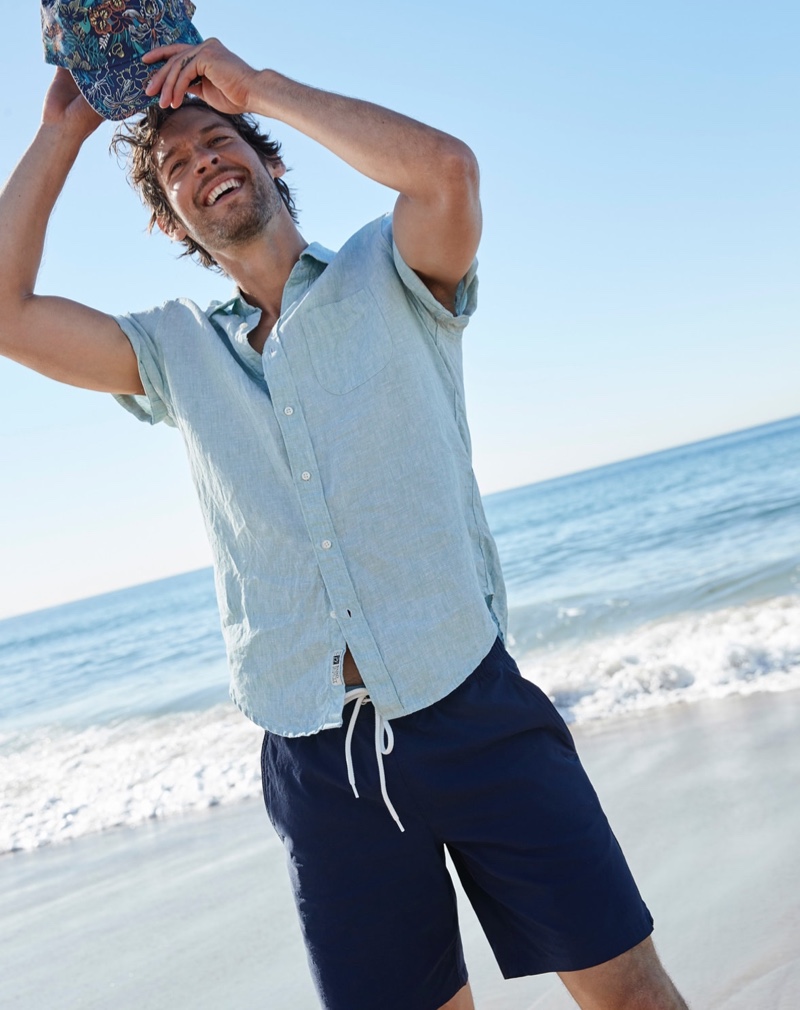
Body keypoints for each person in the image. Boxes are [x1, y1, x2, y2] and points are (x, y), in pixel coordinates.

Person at [0, 37, 690, 1010]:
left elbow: (448, 169)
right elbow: (6, 307)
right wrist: (61, 132)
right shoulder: (171, 350)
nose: (203, 163)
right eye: (178, 166)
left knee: (627, 991)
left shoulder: (392, 268)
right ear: (174, 223)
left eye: (217, 140)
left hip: (474, 708)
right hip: (322, 763)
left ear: (267, 158)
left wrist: (261, 89)